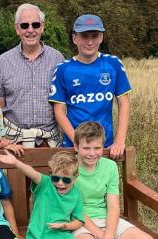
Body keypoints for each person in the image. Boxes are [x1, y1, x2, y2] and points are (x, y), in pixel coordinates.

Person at [49, 14, 132, 159]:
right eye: (84, 36)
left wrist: (119, 141)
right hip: (73, 146)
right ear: (75, 38)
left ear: (101, 38)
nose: (89, 42)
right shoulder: (63, 69)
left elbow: (124, 102)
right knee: (73, 181)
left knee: (103, 181)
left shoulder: (113, 64)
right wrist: (77, 141)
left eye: (94, 36)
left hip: (104, 146)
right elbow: (59, 110)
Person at [0, 3, 64, 148]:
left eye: (35, 25)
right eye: (25, 25)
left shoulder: (57, 59)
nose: (30, 30)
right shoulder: (3, 61)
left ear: (42, 27)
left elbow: (63, 102)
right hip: (15, 141)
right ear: (17, 29)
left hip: (48, 141)